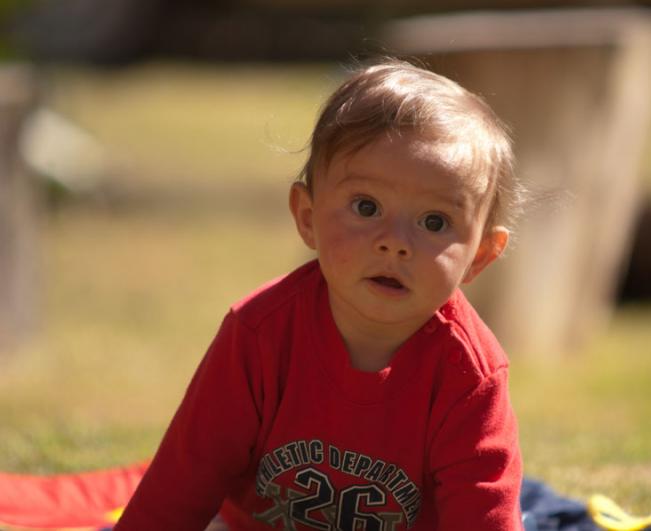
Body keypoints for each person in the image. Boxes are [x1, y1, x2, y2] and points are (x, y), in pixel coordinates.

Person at [115, 58, 527, 531]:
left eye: (434, 222)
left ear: (481, 255)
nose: (394, 242)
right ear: (307, 216)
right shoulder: (258, 333)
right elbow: (181, 484)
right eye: (366, 207)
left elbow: (483, 516)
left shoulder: (469, 372)